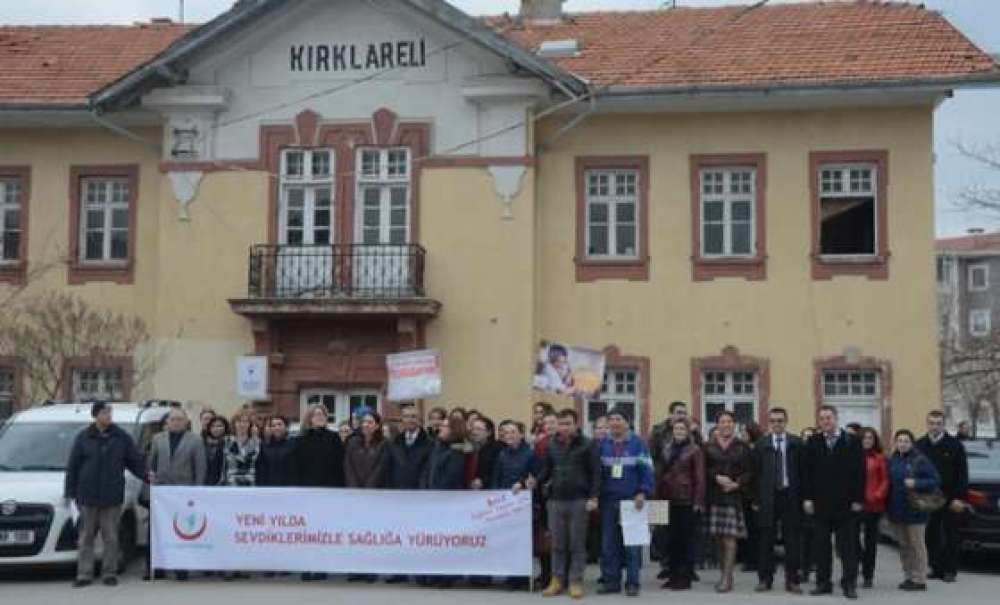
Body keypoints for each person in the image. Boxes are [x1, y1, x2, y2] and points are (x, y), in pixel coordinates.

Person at [64, 401, 146, 588]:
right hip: (87, 495)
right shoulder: (83, 437)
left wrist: (147, 475)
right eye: (104, 413)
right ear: (95, 416)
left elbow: (134, 461)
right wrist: (70, 492)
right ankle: (84, 574)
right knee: (86, 537)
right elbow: (73, 467)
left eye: (110, 412)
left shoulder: (121, 437)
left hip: (111, 495)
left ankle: (109, 572)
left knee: (111, 537)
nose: (108, 416)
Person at [802, 406, 865, 600]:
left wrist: (858, 499)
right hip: (820, 504)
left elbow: (860, 473)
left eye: (828, 418)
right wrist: (807, 498)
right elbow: (806, 473)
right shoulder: (812, 442)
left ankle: (849, 584)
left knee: (847, 548)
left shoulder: (851, 441)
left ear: (836, 419)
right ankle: (823, 583)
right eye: (822, 418)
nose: (825, 421)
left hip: (845, 504)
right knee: (821, 547)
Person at [537, 408, 601, 599]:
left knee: (577, 544)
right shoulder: (551, 445)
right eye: (561, 423)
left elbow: (596, 474)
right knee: (557, 544)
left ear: (576, 424)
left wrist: (594, 497)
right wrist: (533, 481)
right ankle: (557, 580)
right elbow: (546, 470)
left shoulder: (588, 445)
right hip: (555, 500)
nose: (563, 427)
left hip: (579, 500)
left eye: (567, 423)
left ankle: (575, 581)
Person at [595, 409, 653, 597]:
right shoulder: (602, 445)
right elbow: (597, 474)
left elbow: (647, 470)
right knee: (608, 544)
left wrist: (643, 492)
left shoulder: (638, 444)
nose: (614, 423)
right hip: (608, 501)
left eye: (618, 419)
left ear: (627, 422)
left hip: (632, 501)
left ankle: (632, 582)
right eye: (611, 420)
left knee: (632, 545)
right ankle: (611, 581)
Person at [147, 407, 206, 582]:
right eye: (173, 419)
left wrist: (197, 491)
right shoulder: (157, 439)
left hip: (184, 492)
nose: (176, 422)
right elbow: (151, 464)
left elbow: (200, 468)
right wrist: (151, 477)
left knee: (182, 531)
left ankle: (182, 569)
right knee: (158, 531)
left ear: (186, 422)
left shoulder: (195, 440)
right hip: (162, 493)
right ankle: (157, 568)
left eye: (180, 419)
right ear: (167, 422)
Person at [751, 408, 804, 594]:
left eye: (780, 420)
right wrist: (756, 498)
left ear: (786, 421)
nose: (776, 424)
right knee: (766, 540)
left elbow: (803, 473)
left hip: (791, 496)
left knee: (792, 540)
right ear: (769, 423)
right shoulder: (761, 444)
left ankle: (792, 580)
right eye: (773, 421)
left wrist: (804, 498)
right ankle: (765, 579)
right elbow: (754, 474)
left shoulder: (797, 443)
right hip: (768, 496)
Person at [916, 410, 969, 583]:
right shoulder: (920, 445)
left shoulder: (955, 445)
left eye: (938, 423)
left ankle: (950, 570)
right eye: (931, 423)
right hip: (928, 498)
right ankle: (936, 567)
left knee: (950, 534)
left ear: (943, 424)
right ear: (927, 424)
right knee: (930, 534)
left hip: (950, 496)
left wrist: (959, 498)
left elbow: (962, 473)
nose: (935, 426)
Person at [704, 410, 753, 594]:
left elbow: (749, 471)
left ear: (734, 425)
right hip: (715, 494)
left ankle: (727, 577)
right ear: (717, 425)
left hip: (733, 495)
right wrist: (716, 477)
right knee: (718, 537)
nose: (726, 425)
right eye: (723, 422)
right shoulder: (708, 446)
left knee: (730, 538)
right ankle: (724, 573)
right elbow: (704, 468)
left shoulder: (742, 446)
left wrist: (736, 483)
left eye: (729, 422)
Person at [887, 429, 941, 591]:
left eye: (906, 441)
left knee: (917, 545)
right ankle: (909, 576)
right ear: (895, 443)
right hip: (897, 510)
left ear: (911, 443)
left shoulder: (920, 460)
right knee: (904, 546)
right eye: (900, 441)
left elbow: (935, 480)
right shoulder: (892, 460)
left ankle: (919, 579)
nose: (902, 444)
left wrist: (916, 483)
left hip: (916, 510)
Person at [296, 403, 345, 581]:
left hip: (328, 491)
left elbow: (340, 465)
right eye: (316, 414)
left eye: (322, 414)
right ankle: (307, 566)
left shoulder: (334, 438)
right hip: (307, 492)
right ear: (309, 418)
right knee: (307, 532)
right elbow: (297, 467)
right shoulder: (301, 439)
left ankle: (322, 566)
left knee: (324, 532)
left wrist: (338, 490)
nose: (320, 417)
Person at [420, 416, 469, 588]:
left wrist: (437, 494)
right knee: (433, 540)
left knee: (445, 540)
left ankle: (446, 575)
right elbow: (428, 471)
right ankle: (432, 573)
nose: (441, 427)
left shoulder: (456, 452)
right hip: (431, 500)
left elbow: (450, 478)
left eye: (445, 426)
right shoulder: (437, 447)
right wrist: (425, 489)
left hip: (446, 502)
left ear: (454, 430)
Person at [656, 418, 704, 590]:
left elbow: (699, 477)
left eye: (682, 429)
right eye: (676, 429)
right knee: (670, 540)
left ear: (688, 432)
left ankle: (685, 577)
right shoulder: (667, 448)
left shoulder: (694, 450)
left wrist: (698, 500)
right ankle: (673, 574)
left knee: (685, 540)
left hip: (686, 499)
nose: (679, 432)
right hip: (667, 498)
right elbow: (661, 471)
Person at [344, 409, 388, 582]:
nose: (366, 425)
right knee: (356, 534)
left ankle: (371, 569)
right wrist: (354, 488)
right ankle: (355, 568)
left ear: (377, 425)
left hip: (374, 495)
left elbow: (381, 468)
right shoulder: (353, 442)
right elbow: (347, 465)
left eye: (370, 422)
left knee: (371, 535)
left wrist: (369, 490)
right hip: (355, 495)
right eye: (364, 422)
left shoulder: (384, 444)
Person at [494, 420, 538, 591]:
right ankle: (511, 574)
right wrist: (493, 494)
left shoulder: (530, 454)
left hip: (522, 503)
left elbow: (535, 475)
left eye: (513, 432)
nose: (509, 435)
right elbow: (496, 476)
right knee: (507, 539)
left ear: (521, 434)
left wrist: (522, 483)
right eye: (506, 433)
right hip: (504, 503)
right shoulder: (502, 454)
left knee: (521, 540)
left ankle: (521, 577)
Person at [650, 400, 689, 578]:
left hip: (682, 490)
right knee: (661, 528)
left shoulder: (690, 431)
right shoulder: (658, 431)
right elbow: (650, 457)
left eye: (684, 412)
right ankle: (665, 564)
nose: (682, 415)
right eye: (679, 412)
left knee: (683, 529)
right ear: (671, 414)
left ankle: (685, 566)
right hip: (660, 486)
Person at [533, 409, 560, 588]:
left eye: (552, 422)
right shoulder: (540, 443)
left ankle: (559, 575)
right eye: (546, 423)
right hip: (543, 495)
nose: (549, 426)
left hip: (559, 494)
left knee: (559, 537)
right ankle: (545, 574)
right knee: (544, 538)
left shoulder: (564, 443)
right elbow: (536, 467)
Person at [859, 427, 889, 588]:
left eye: (870, 438)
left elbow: (885, 480)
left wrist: (878, 495)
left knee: (870, 542)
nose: (867, 441)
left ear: (874, 440)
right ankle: (858, 561)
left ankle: (868, 575)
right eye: (864, 438)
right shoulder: (853, 457)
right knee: (850, 541)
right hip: (856, 504)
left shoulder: (879, 458)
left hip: (873, 505)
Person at [256, 415, 298, 487]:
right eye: (273, 425)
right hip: (270, 488)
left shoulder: (294, 445)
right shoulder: (265, 447)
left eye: (279, 424)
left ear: (286, 427)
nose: (277, 428)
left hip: (289, 488)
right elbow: (261, 472)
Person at [799, 426, 817, 583]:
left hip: (819, 502)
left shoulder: (820, 454)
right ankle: (804, 570)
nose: (807, 439)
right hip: (801, 502)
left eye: (810, 436)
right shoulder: (798, 454)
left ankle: (816, 567)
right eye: (805, 436)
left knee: (818, 539)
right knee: (804, 539)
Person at [470, 416, 501, 490]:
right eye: (473, 429)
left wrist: (483, 481)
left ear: (489, 432)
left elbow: (496, 472)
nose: (474, 432)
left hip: (490, 491)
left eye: (479, 429)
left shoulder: (497, 449)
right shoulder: (469, 448)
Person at [203, 416, 229, 486]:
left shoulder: (229, 443)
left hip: (224, 483)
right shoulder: (203, 444)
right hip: (206, 483)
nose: (216, 429)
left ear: (225, 427)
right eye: (213, 426)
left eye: (219, 426)